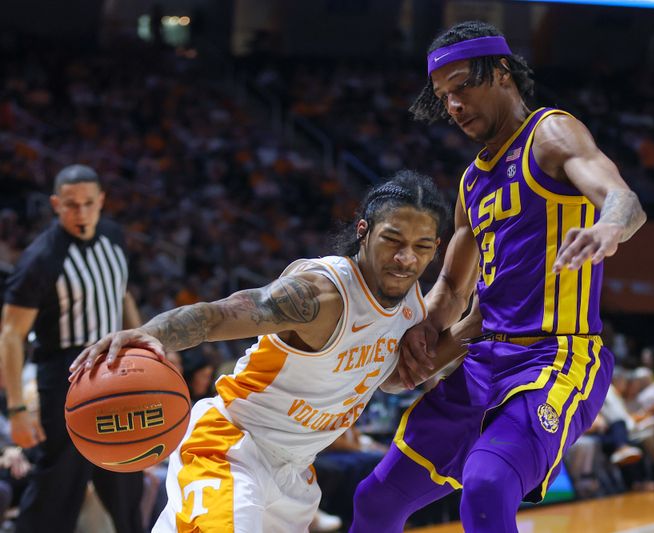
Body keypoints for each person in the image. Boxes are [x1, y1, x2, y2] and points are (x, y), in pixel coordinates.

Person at [351, 21, 646, 532]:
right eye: (445, 97)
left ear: (502, 71)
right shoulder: (472, 180)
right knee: (375, 501)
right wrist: (423, 335)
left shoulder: (551, 133)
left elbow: (624, 199)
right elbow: (450, 289)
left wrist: (608, 228)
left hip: (556, 357)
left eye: (464, 85)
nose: (455, 105)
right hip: (483, 358)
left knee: (487, 487)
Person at [70, 171, 471, 532]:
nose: (406, 258)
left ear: (436, 247)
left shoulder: (410, 307)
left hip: (294, 474)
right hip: (231, 447)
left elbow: (395, 374)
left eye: (421, 247)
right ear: (364, 231)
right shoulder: (322, 293)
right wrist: (148, 332)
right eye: (393, 240)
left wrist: (479, 322)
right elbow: (218, 315)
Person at [0, 164, 144, 533]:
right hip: (65, 373)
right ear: (55, 204)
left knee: (127, 471)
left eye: (88, 204)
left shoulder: (113, 236)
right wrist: (16, 408)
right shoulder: (40, 259)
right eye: (70, 205)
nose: (81, 213)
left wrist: (144, 338)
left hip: (117, 367)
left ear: (102, 202)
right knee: (58, 482)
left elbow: (121, 291)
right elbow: (11, 334)